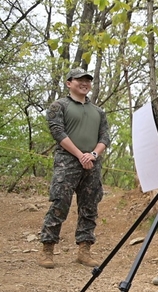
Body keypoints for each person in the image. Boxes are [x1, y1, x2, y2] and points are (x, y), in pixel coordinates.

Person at [39, 68, 110, 269]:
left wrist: (93, 155)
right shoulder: (58, 106)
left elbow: (105, 137)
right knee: (60, 202)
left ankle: (84, 250)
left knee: (90, 206)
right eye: (79, 80)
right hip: (67, 161)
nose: (84, 83)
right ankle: (47, 249)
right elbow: (58, 132)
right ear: (69, 83)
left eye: (87, 80)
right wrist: (80, 155)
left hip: (92, 163)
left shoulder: (98, 111)